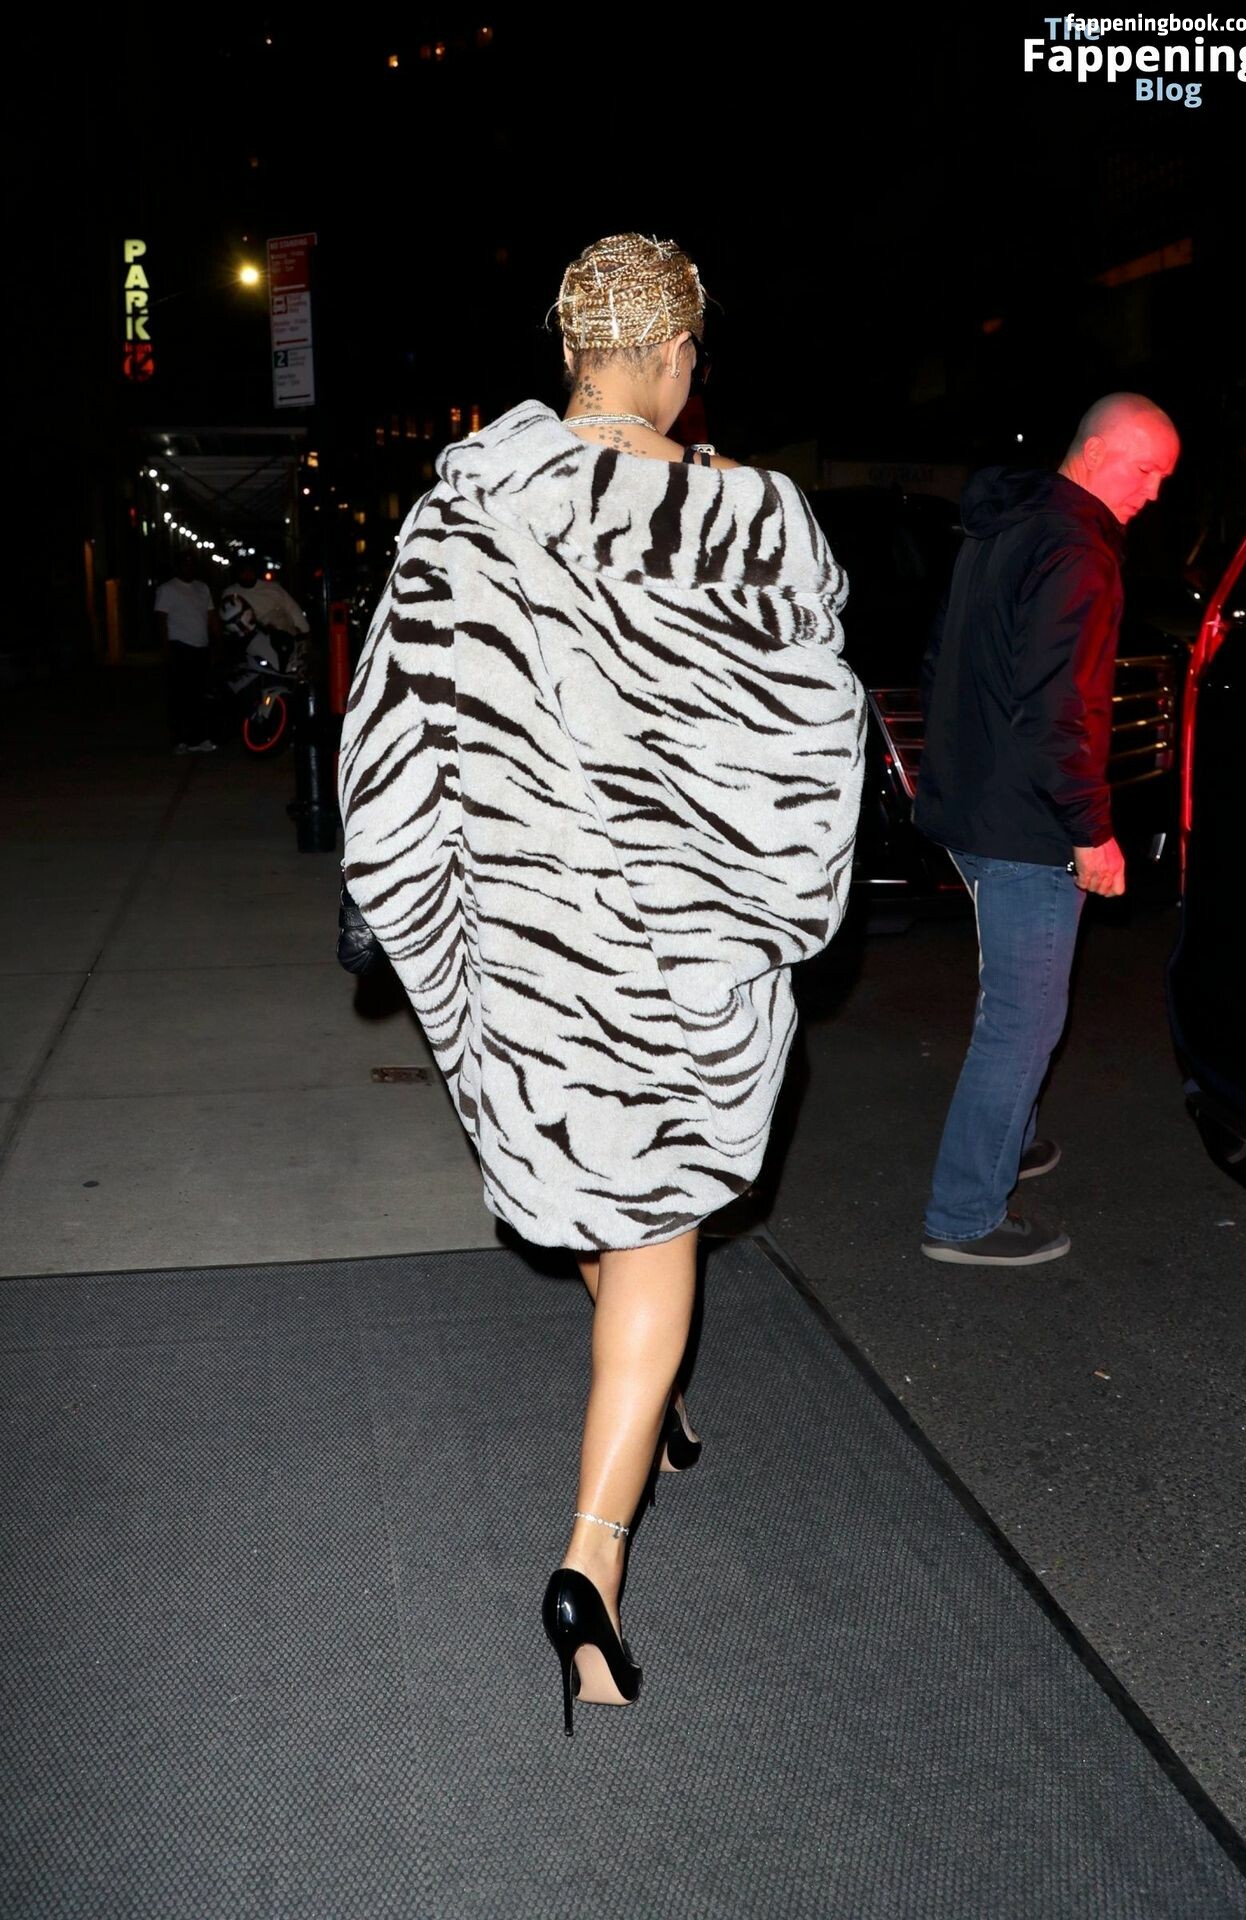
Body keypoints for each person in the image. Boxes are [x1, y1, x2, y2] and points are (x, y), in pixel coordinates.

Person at [338, 233, 865, 1731]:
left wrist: (402, 902)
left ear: (569, 353)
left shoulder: (461, 513)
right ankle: (592, 1566)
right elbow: (818, 753)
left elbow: (384, 737)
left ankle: (652, 1391)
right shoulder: (755, 520)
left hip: (530, 955)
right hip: (683, 960)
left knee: (602, 1206)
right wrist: (774, 907)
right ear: (678, 356)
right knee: (655, 1234)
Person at [913, 393, 1181, 1267]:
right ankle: (964, 1215)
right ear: (1096, 453)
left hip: (973, 803)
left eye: (1164, 478)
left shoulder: (1003, 525)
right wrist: (1090, 831)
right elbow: (1060, 706)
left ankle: (1009, 1141)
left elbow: (940, 660)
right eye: (1145, 470)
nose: (1153, 492)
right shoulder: (1076, 548)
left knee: (1015, 996)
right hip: (1023, 821)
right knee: (1024, 1017)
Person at [154, 548, 219, 752]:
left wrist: (217, 641)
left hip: (201, 646)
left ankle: (200, 737)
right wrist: (166, 649)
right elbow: (161, 620)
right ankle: (180, 739)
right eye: (185, 564)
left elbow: (211, 616)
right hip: (180, 646)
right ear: (178, 566)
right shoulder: (167, 589)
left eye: (192, 564)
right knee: (180, 696)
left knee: (200, 695)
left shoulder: (202, 588)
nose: (189, 567)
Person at [220, 559, 310, 668]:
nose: (247, 575)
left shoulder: (273, 588)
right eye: (243, 572)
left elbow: (292, 608)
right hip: (253, 644)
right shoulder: (230, 593)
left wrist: (304, 631)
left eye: (250, 571)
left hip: (284, 637)